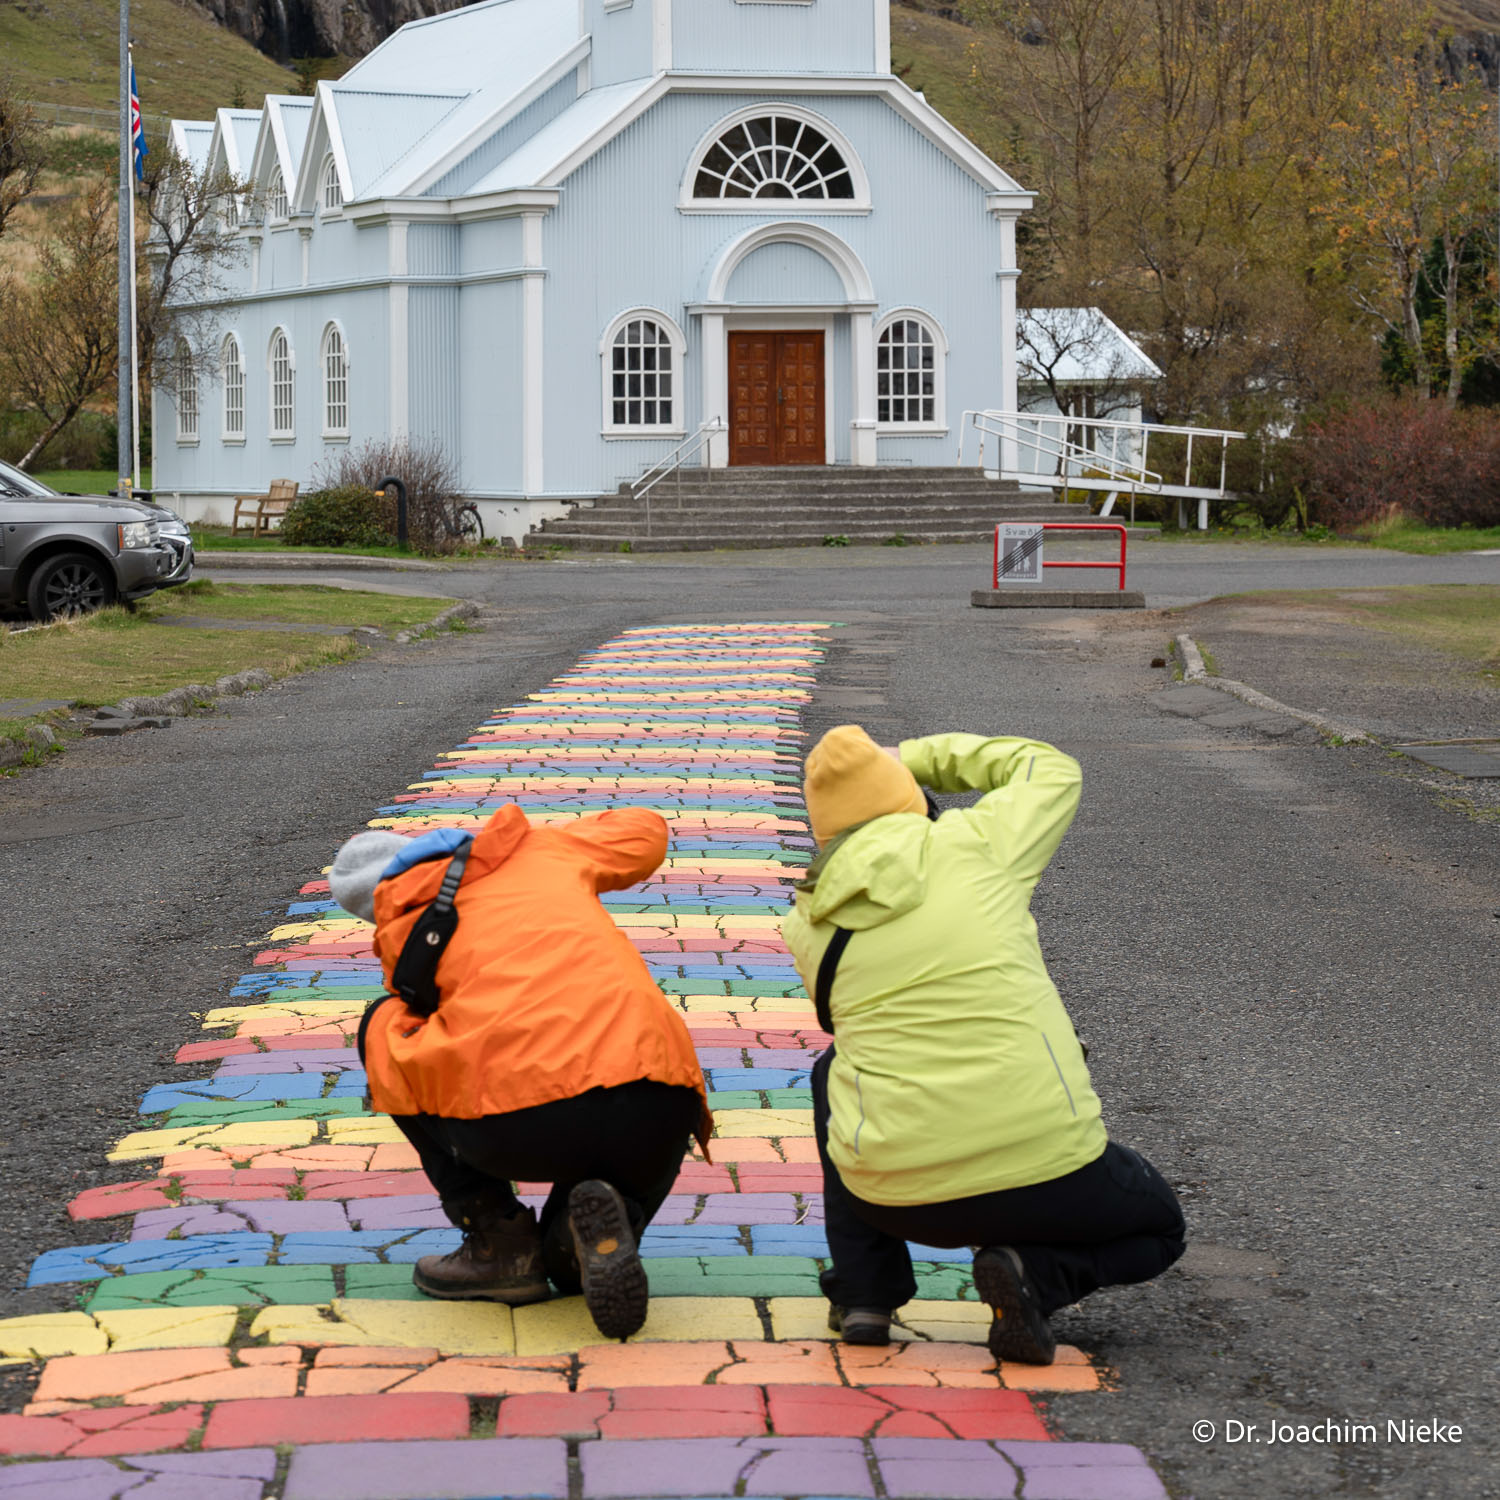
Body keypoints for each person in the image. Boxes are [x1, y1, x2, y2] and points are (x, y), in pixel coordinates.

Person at [782, 725, 1185, 1364]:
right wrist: (908, 758)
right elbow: (1048, 767)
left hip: (897, 1200)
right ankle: (1033, 1273)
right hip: (1045, 1172)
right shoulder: (974, 846)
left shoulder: (805, 922)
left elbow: (844, 1026)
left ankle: (865, 1293)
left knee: (837, 1069)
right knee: (1161, 1228)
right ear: (907, 797)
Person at [328, 803, 712, 1340]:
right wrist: (546, 840)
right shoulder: (541, 850)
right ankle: (578, 1244)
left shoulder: (407, 929)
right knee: (592, 1207)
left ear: (377, 902)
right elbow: (645, 831)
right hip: (658, 1102)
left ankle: (499, 1243)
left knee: (386, 1024)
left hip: (518, 1123)